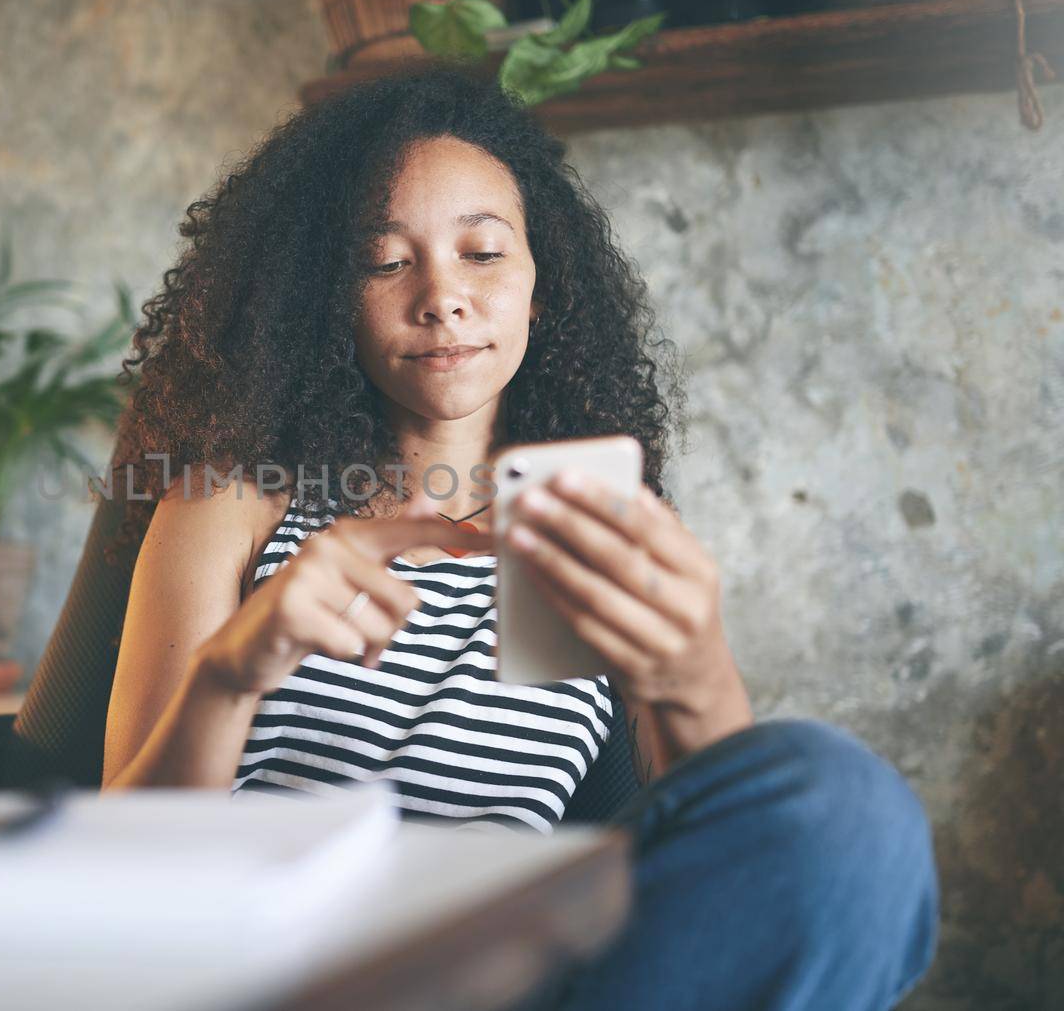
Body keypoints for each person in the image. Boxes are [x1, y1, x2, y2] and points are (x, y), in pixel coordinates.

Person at [99, 65, 938, 1010]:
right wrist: (229, 675)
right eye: (385, 261)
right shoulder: (236, 505)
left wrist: (692, 672)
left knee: (848, 809)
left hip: (513, 973)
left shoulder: (581, 522)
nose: (441, 297)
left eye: (483, 254)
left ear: (542, 289)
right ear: (327, 300)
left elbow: (740, 863)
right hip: (278, 971)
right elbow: (122, 874)